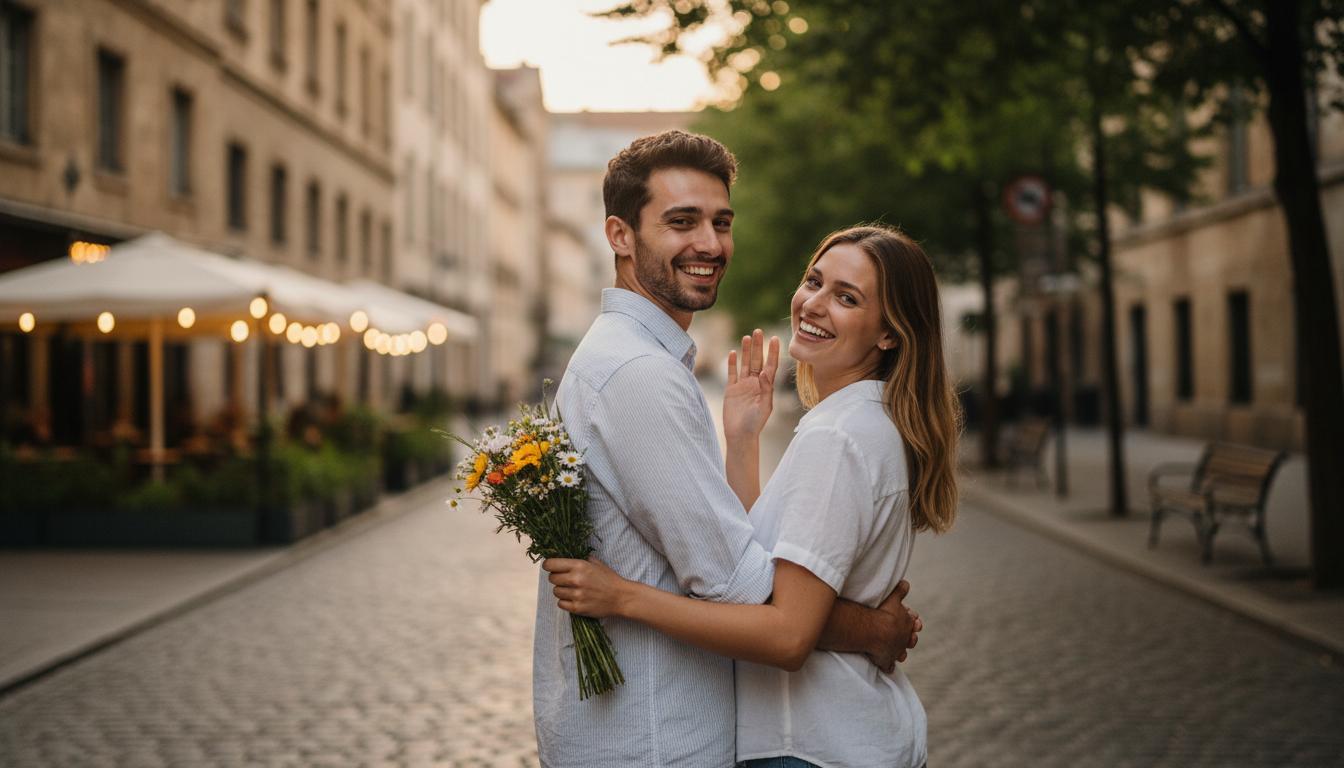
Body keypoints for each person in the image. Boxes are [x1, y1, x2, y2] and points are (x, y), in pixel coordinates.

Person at [534, 131, 923, 767]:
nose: (710, 245)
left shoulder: (638, 361)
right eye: (681, 222)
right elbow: (742, 587)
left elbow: (738, 568)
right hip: (654, 741)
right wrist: (873, 627)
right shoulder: (640, 373)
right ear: (620, 236)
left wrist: (739, 442)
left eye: (721, 222)